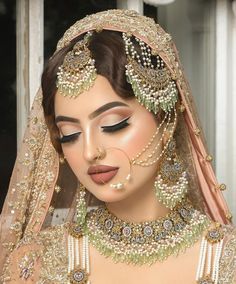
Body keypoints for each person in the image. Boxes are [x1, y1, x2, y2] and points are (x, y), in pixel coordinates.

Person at [0, 9, 235, 284]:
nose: (90, 152)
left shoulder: (225, 261)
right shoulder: (36, 263)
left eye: (113, 125)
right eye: (69, 134)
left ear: (167, 120)